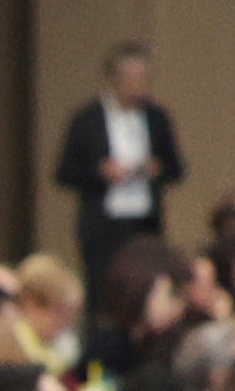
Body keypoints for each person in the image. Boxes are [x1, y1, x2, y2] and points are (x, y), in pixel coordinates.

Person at [60, 44, 180, 275]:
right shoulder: (87, 119)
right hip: (103, 224)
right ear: (113, 79)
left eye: (143, 77)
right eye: (131, 77)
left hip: (145, 222)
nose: (138, 85)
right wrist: (100, 172)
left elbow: (176, 168)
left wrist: (157, 169)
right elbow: (65, 172)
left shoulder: (157, 118)